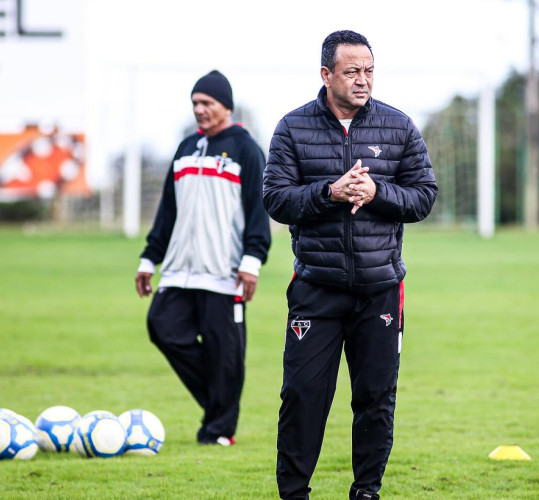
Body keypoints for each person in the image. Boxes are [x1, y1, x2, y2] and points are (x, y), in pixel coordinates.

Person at [263, 30, 438, 500]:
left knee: (375, 400)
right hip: (316, 289)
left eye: (369, 71)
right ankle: (294, 494)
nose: (363, 81)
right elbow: (275, 198)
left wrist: (378, 193)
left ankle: (366, 492)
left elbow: (424, 197)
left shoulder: (398, 127)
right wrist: (330, 192)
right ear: (326, 74)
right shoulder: (293, 128)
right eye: (351, 72)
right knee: (302, 397)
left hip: (380, 289)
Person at [135, 70, 271, 446]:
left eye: (207, 103)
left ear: (226, 106)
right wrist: (150, 258)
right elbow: (168, 212)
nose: (199, 109)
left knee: (224, 352)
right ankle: (218, 406)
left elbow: (259, 211)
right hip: (179, 271)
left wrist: (251, 261)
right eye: (195, 103)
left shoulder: (246, 149)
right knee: (162, 326)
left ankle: (219, 430)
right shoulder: (184, 149)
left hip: (224, 273)